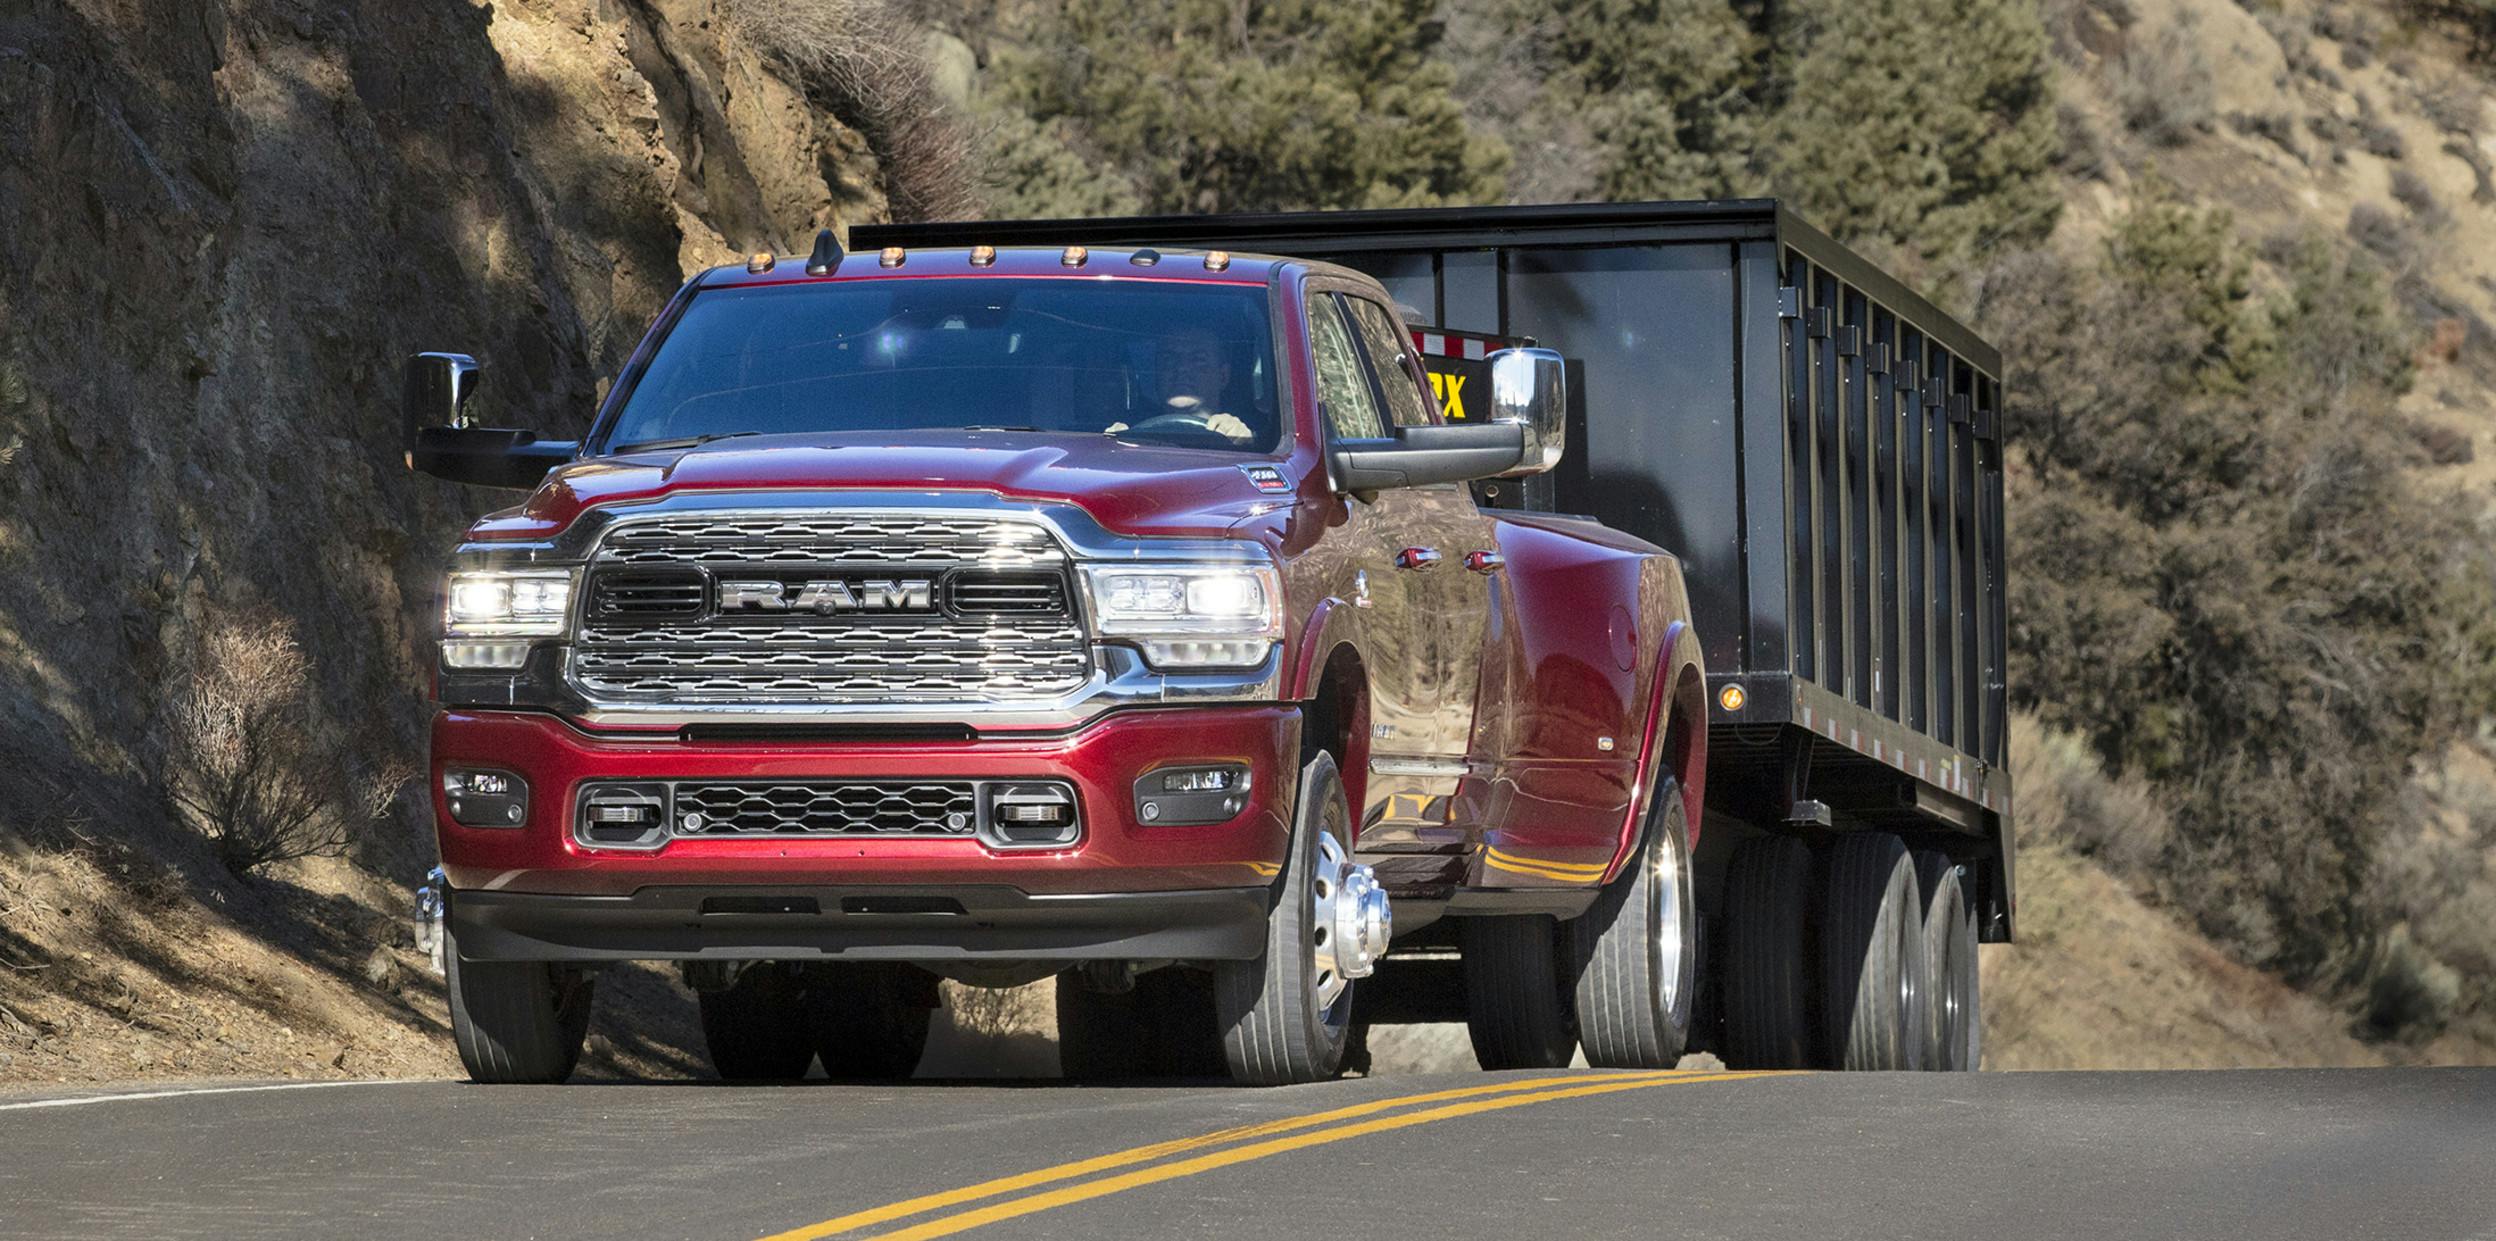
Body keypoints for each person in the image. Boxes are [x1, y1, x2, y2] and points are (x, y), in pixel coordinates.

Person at [1106, 328, 1258, 444]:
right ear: (1156, 373)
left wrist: (1244, 442)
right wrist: (1114, 447)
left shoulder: (1268, 441)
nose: (1181, 369)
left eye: (1198, 360)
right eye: (1169, 360)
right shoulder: (1130, 434)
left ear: (1223, 376)